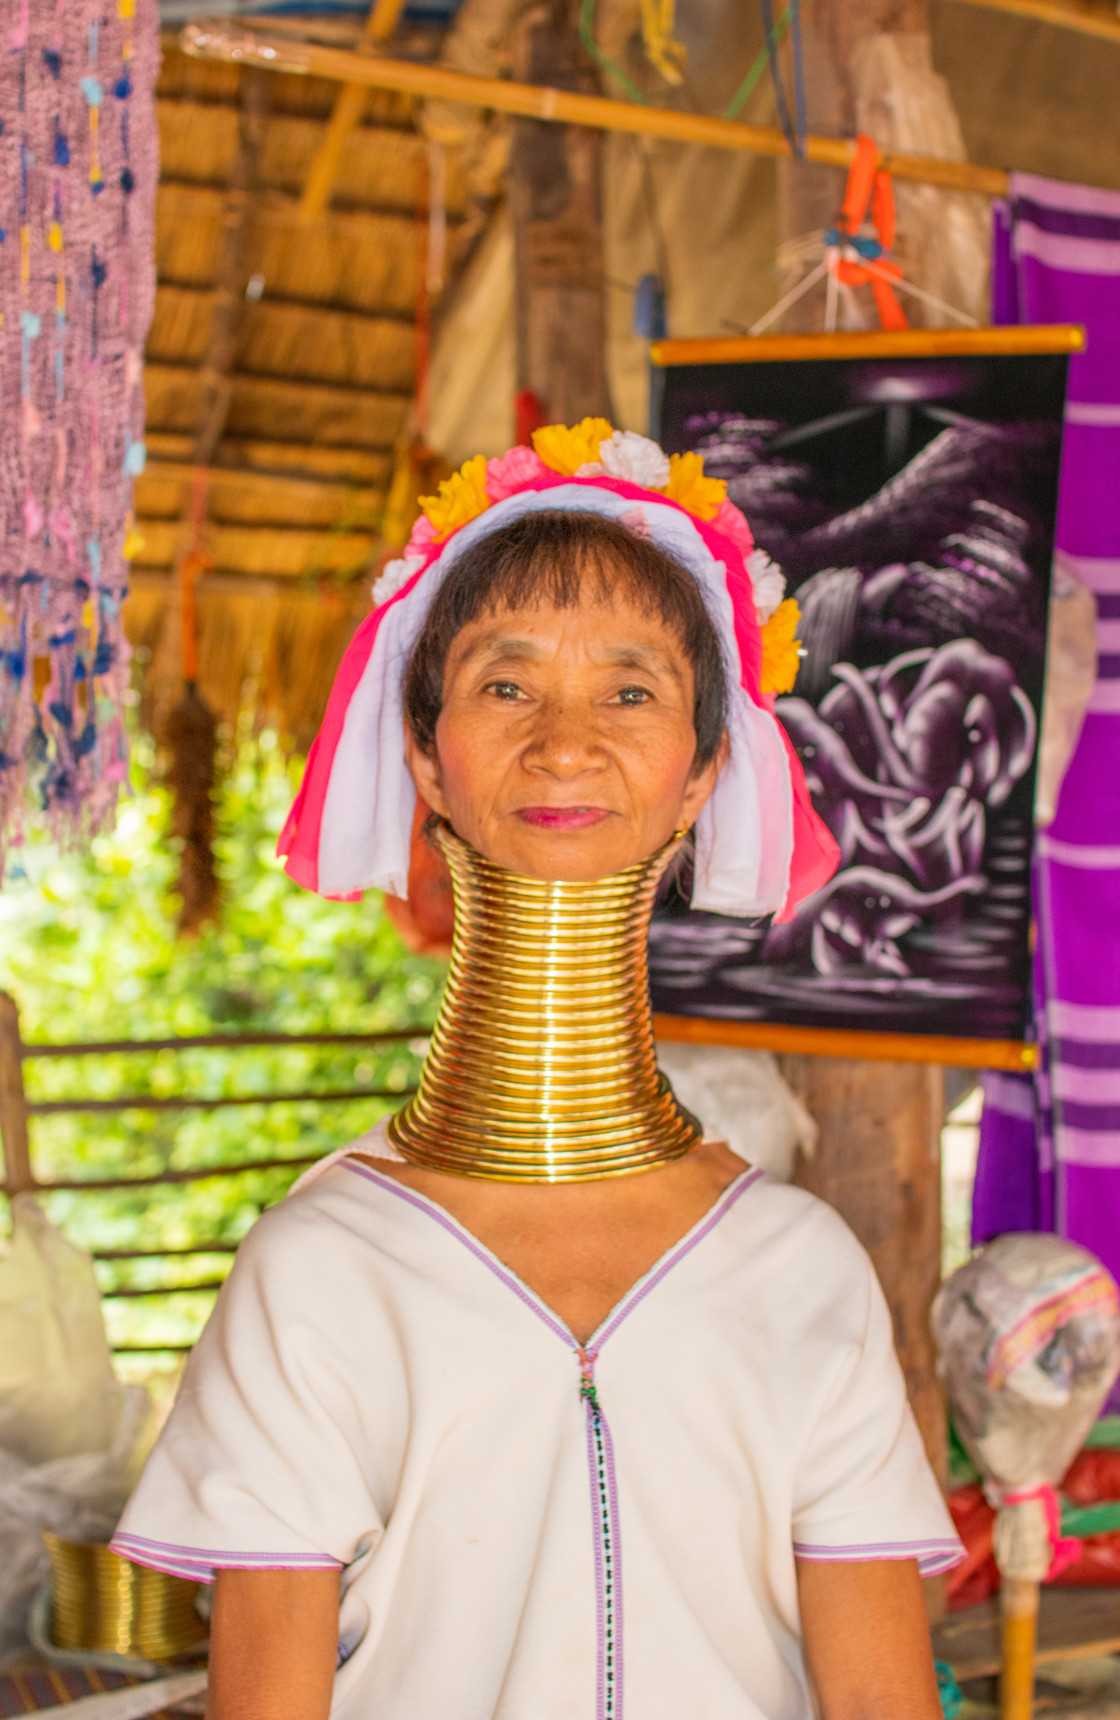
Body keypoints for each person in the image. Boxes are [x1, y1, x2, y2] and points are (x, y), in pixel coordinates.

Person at [112, 422, 962, 1720]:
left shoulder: (798, 1270)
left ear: (699, 774)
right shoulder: (323, 1267)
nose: (567, 742)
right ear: (425, 762)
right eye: (507, 686)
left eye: (631, 691)